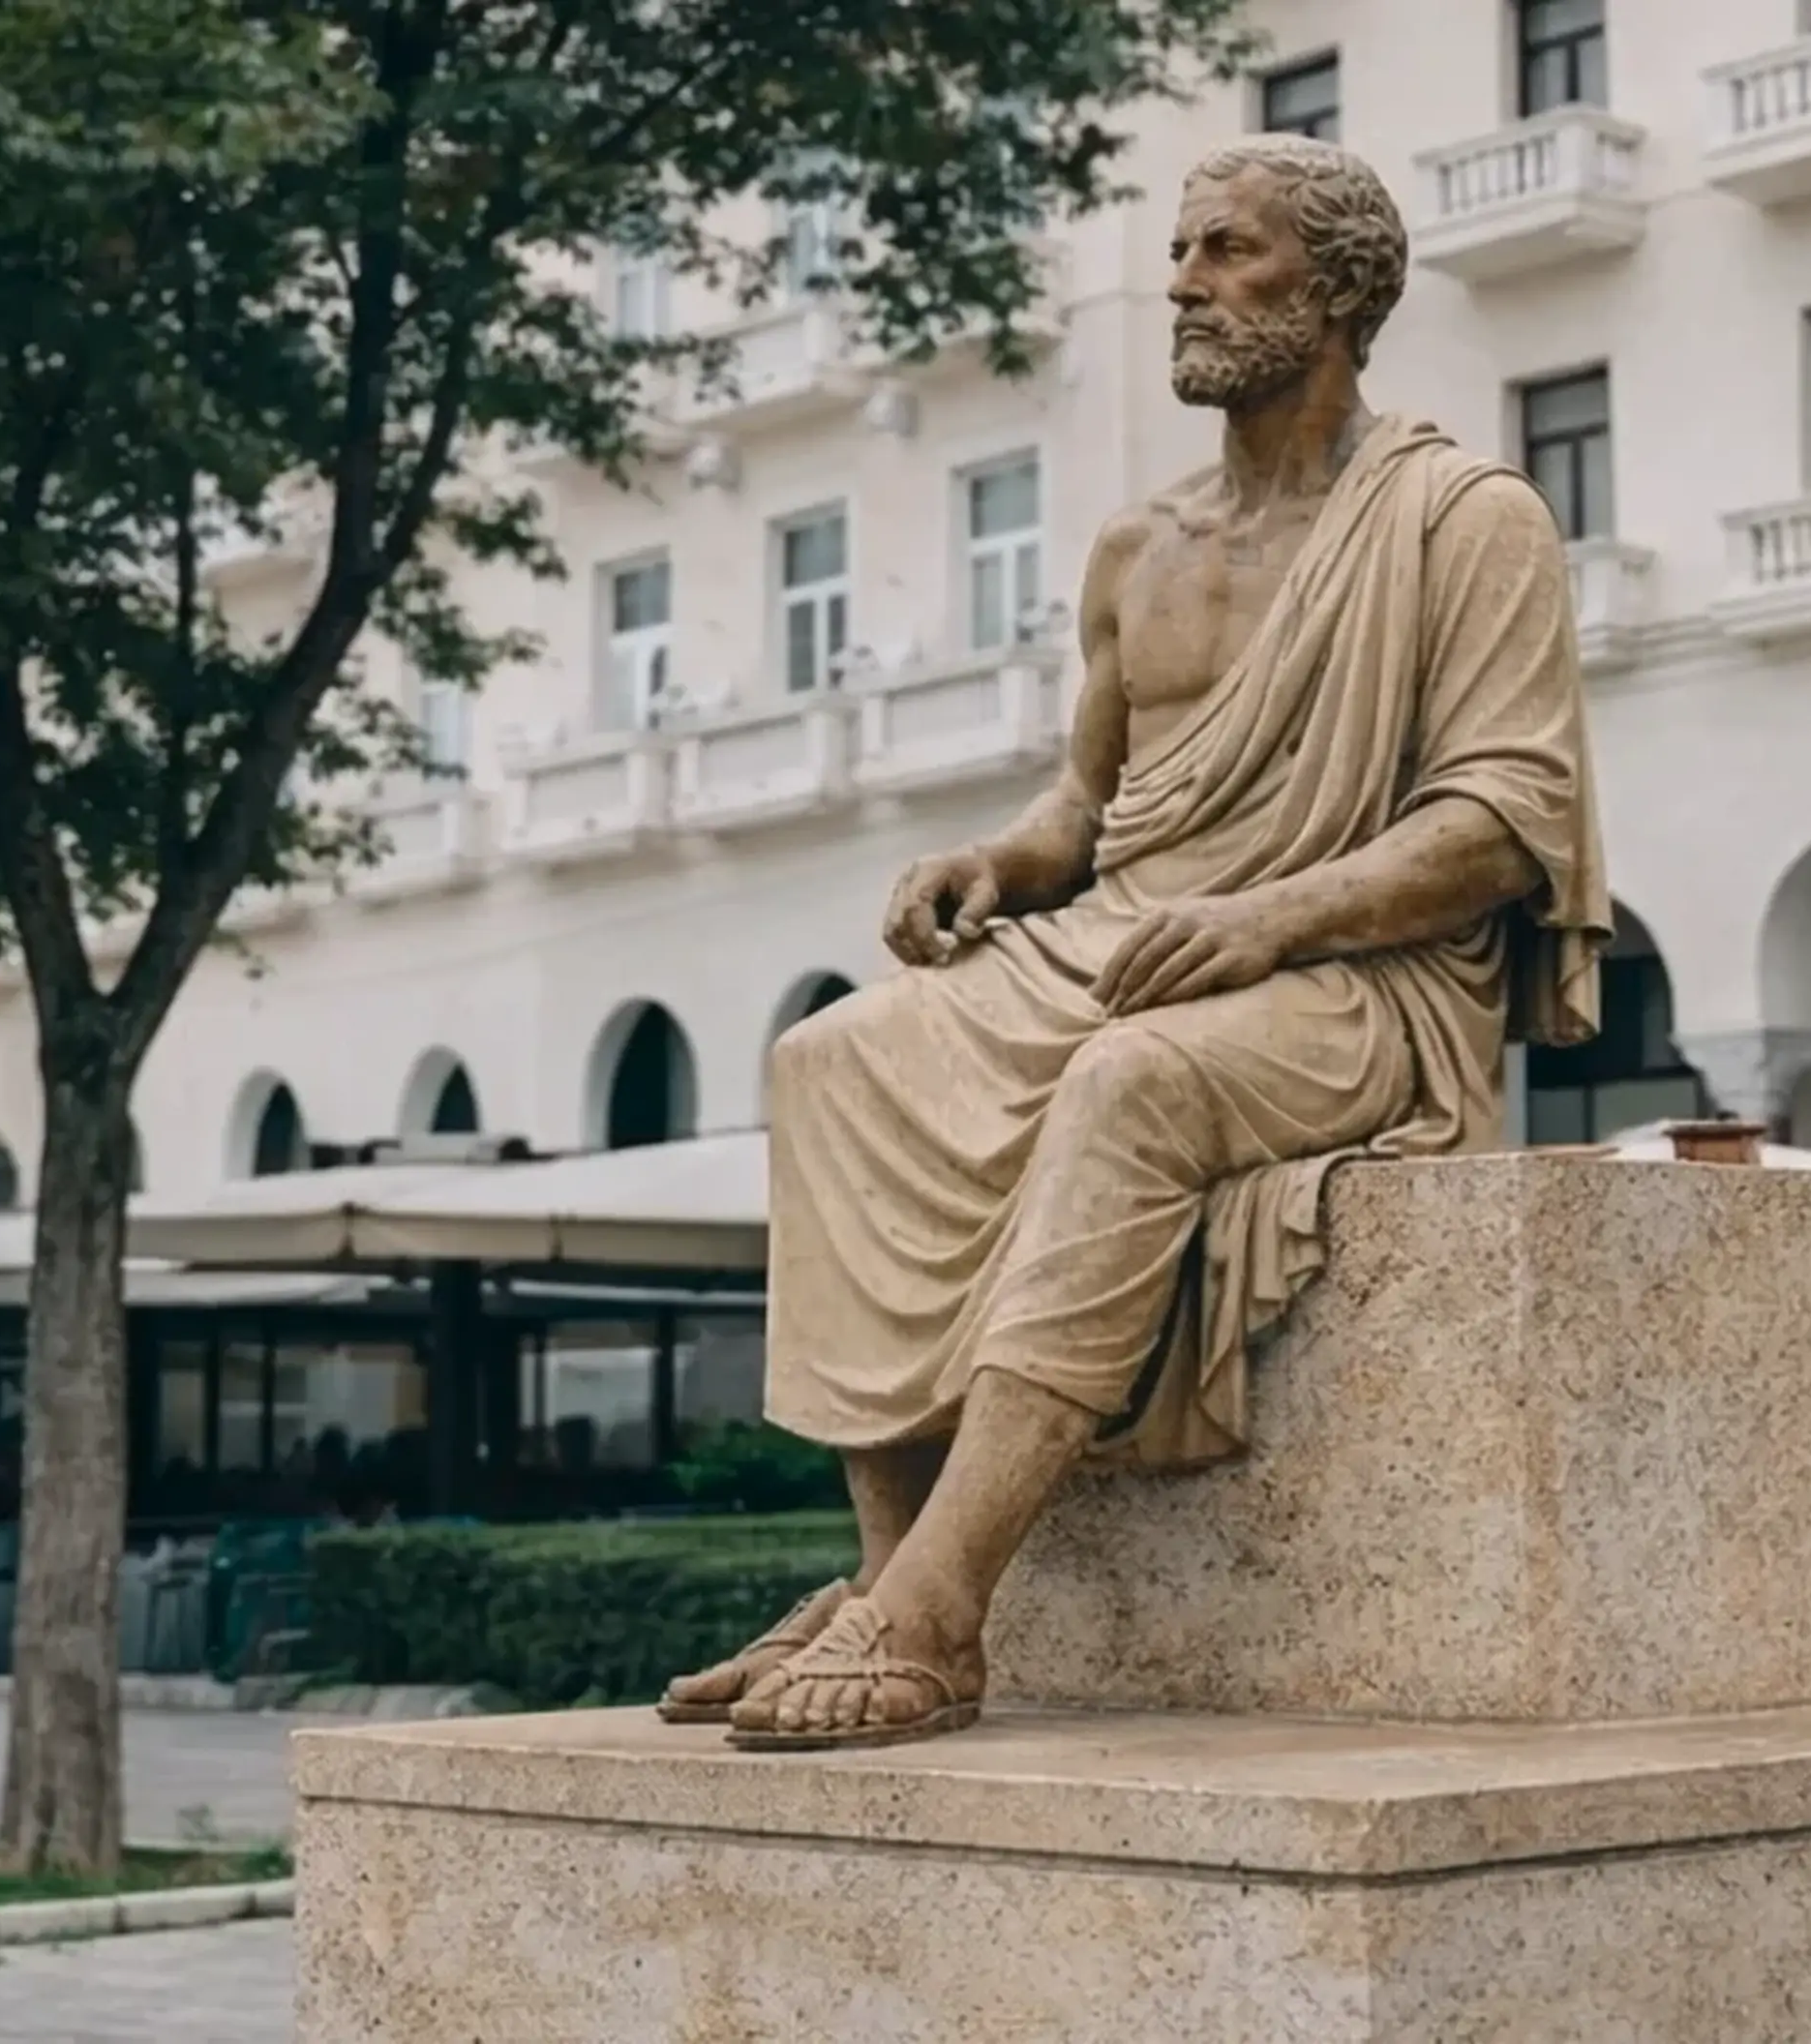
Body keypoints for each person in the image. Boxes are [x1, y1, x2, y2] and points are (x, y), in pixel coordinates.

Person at [655, 135, 1610, 1752]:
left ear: (1341, 290)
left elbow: (1505, 822)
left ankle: (943, 1616)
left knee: (1132, 1087)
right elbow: (1087, 811)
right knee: (832, 1062)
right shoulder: (1135, 546)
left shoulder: (1466, 522)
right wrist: (993, 866)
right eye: (1180, 251)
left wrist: (1264, 919)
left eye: (1228, 251)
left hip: (1362, 984)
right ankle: (892, 1587)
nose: (1182, 283)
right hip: (1130, 935)